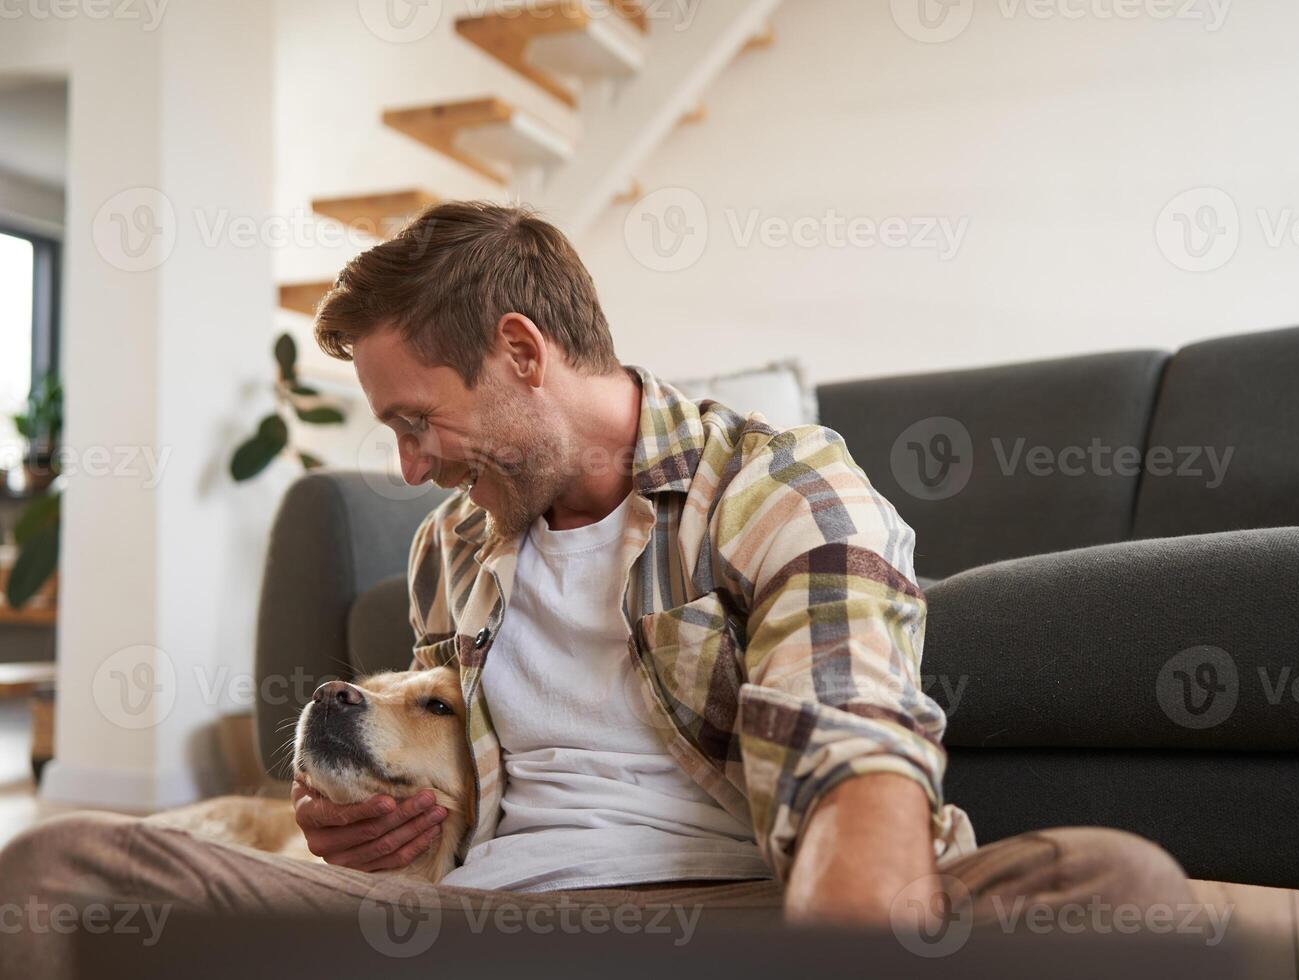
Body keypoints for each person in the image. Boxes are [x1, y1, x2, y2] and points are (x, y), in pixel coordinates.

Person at [0, 203, 1195, 974]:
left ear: (523, 352)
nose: (409, 466)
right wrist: (355, 833)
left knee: (1112, 886)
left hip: (734, 913)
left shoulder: (778, 483)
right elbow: (454, 793)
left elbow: (852, 744)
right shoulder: (452, 548)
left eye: (420, 421)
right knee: (64, 868)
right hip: (473, 919)